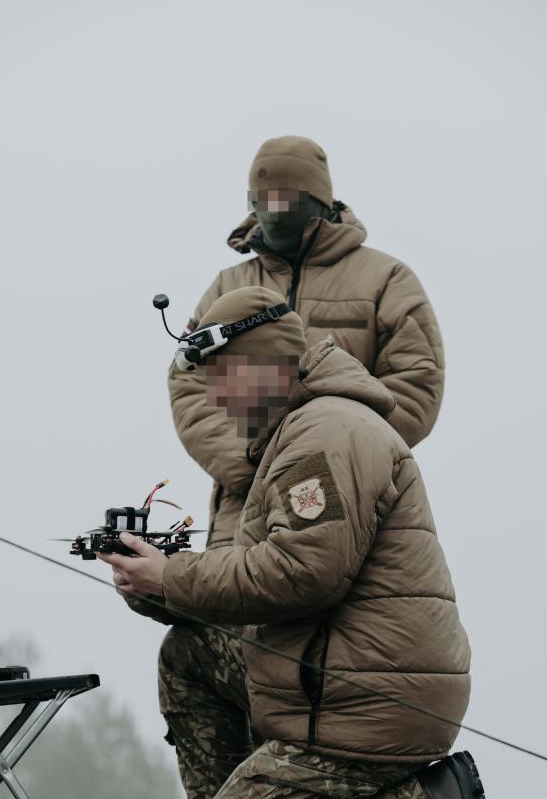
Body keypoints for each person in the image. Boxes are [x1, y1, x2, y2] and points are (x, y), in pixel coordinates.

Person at [98, 286, 502, 799]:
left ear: (263, 363)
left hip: (363, 702)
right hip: (332, 678)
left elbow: (302, 573)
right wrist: (159, 588)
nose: (214, 397)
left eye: (222, 377)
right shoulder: (298, 431)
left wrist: (173, 575)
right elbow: (260, 578)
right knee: (190, 653)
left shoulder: (325, 432)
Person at [169, 135, 446, 549]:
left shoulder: (386, 279)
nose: (273, 211)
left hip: (354, 495)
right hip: (241, 505)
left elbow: (416, 383)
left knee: (326, 582)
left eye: (286, 199)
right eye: (261, 199)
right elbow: (188, 378)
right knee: (230, 587)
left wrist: (337, 457)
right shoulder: (228, 286)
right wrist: (249, 462)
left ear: (318, 199)